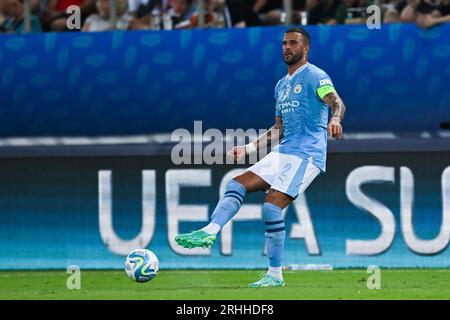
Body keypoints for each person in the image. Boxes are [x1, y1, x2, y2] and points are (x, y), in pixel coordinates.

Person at [175, 27, 346, 288]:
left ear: (305, 48)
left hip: (307, 154)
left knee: (271, 206)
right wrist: (248, 148)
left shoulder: (315, 76)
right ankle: (209, 232)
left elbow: (336, 101)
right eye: (284, 43)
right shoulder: (281, 86)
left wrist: (335, 118)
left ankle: (275, 275)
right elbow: (278, 129)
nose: (287, 47)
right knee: (236, 183)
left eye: (293, 43)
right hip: (285, 150)